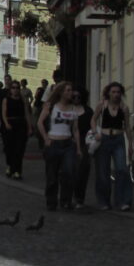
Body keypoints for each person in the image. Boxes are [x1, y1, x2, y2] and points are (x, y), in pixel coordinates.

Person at [37, 80, 81, 211]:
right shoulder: (51, 106)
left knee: (68, 173)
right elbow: (40, 122)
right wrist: (46, 138)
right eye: (67, 90)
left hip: (68, 144)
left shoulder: (73, 108)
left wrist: (78, 148)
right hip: (53, 143)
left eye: (71, 90)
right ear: (61, 92)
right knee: (52, 175)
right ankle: (51, 201)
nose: (70, 92)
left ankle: (65, 201)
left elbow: (75, 130)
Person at [91, 82, 133, 211]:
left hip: (118, 139)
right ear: (108, 93)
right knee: (103, 172)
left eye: (118, 92)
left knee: (121, 169)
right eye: (113, 92)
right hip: (104, 139)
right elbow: (93, 120)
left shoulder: (124, 108)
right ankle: (104, 201)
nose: (116, 94)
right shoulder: (102, 105)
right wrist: (95, 132)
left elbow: (127, 126)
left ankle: (122, 201)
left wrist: (130, 143)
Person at [0, 80, 34, 179]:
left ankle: (17, 171)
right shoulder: (6, 100)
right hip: (9, 125)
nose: (15, 90)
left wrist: (29, 127)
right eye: (13, 88)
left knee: (19, 149)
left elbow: (27, 114)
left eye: (17, 88)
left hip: (20, 125)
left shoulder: (22, 100)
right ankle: (10, 166)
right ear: (10, 89)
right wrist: (6, 123)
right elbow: (3, 113)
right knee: (9, 148)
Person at [71, 86, 93, 209]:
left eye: (78, 97)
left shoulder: (88, 111)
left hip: (84, 143)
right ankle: (69, 196)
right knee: (69, 171)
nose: (76, 99)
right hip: (69, 142)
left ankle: (80, 198)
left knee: (82, 171)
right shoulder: (67, 109)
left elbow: (92, 126)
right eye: (73, 97)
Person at [32, 78, 49, 150]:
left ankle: (42, 139)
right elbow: (35, 96)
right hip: (37, 106)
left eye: (44, 82)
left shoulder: (48, 90)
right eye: (42, 82)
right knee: (36, 122)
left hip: (43, 107)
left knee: (43, 123)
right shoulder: (40, 89)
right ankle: (37, 133)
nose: (43, 83)